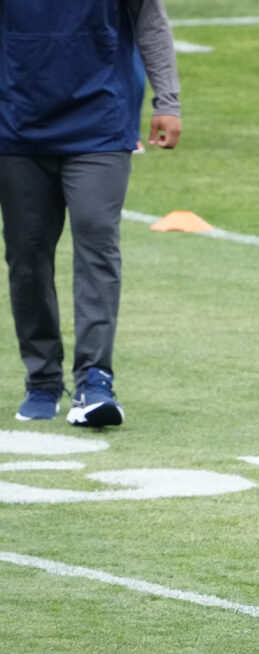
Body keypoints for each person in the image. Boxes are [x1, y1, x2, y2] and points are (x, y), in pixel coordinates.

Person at [0, 0, 182, 426]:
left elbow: (150, 23)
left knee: (97, 240)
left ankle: (95, 380)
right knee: (27, 257)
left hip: (101, 124)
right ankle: (42, 379)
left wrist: (167, 101)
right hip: (15, 127)